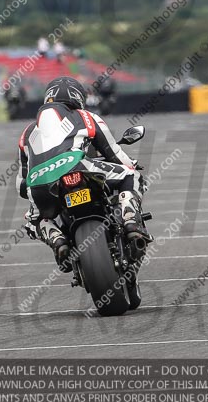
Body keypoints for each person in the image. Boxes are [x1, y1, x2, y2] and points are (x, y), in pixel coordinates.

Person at [16, 76, 148, 271]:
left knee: (32, 220)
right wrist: (132, 164)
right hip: (78, 168)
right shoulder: (85, 116)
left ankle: (58, 240)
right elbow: (115, 155)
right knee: (130, 176)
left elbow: (21, 185)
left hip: (40, 186)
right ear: (78, 97)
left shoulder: (27, 133)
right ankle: (129, 220)